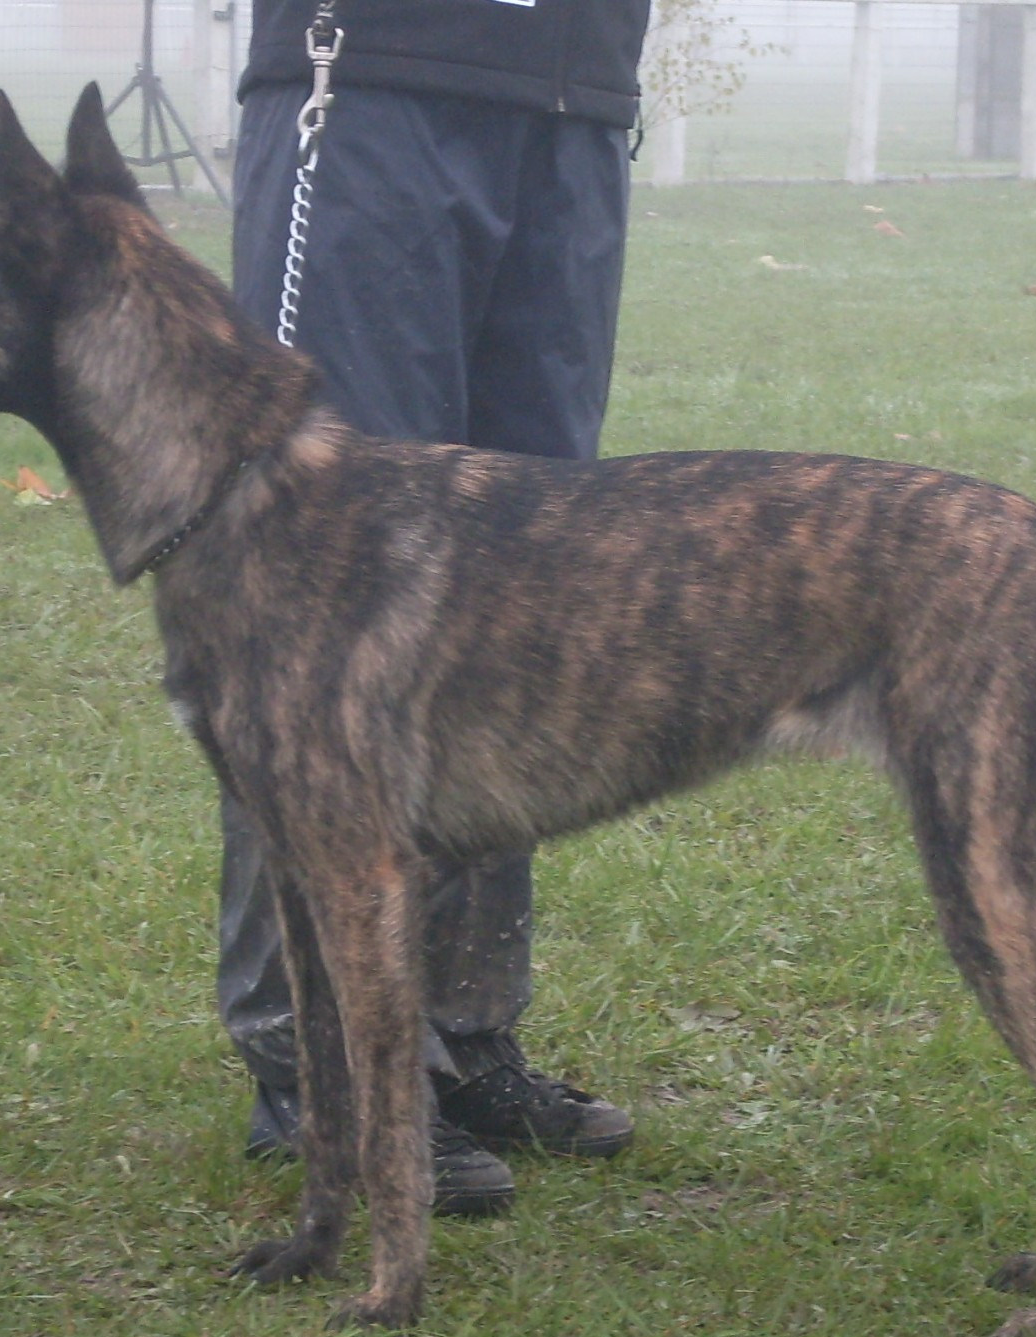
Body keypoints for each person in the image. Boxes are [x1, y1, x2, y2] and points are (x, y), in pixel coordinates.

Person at [223, 0, 653, 1215]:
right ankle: (321, 1070)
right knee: (333, 597)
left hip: (573, 100)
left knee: (521, 596)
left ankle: (460, 1035)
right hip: (367, 81)